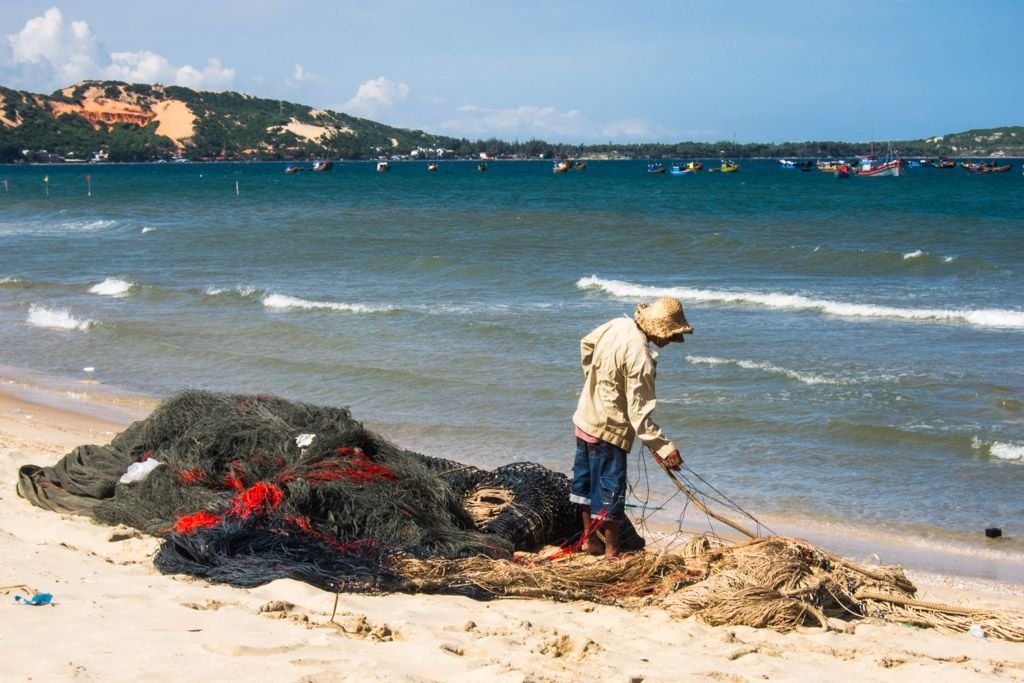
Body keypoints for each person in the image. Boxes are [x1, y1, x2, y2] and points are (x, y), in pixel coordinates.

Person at [570, 296, 693, 558]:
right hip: (609, 431)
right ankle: (612, 551)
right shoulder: (642, 359)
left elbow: (586, 344)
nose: (672, 341)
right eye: (672, 336)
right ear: (661, 332)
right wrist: (664, 448)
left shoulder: (617, 325)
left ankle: (590, 541)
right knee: (610, 491)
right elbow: (639, 416)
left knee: (586, 485)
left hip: (584, 418)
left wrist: (595, 382)